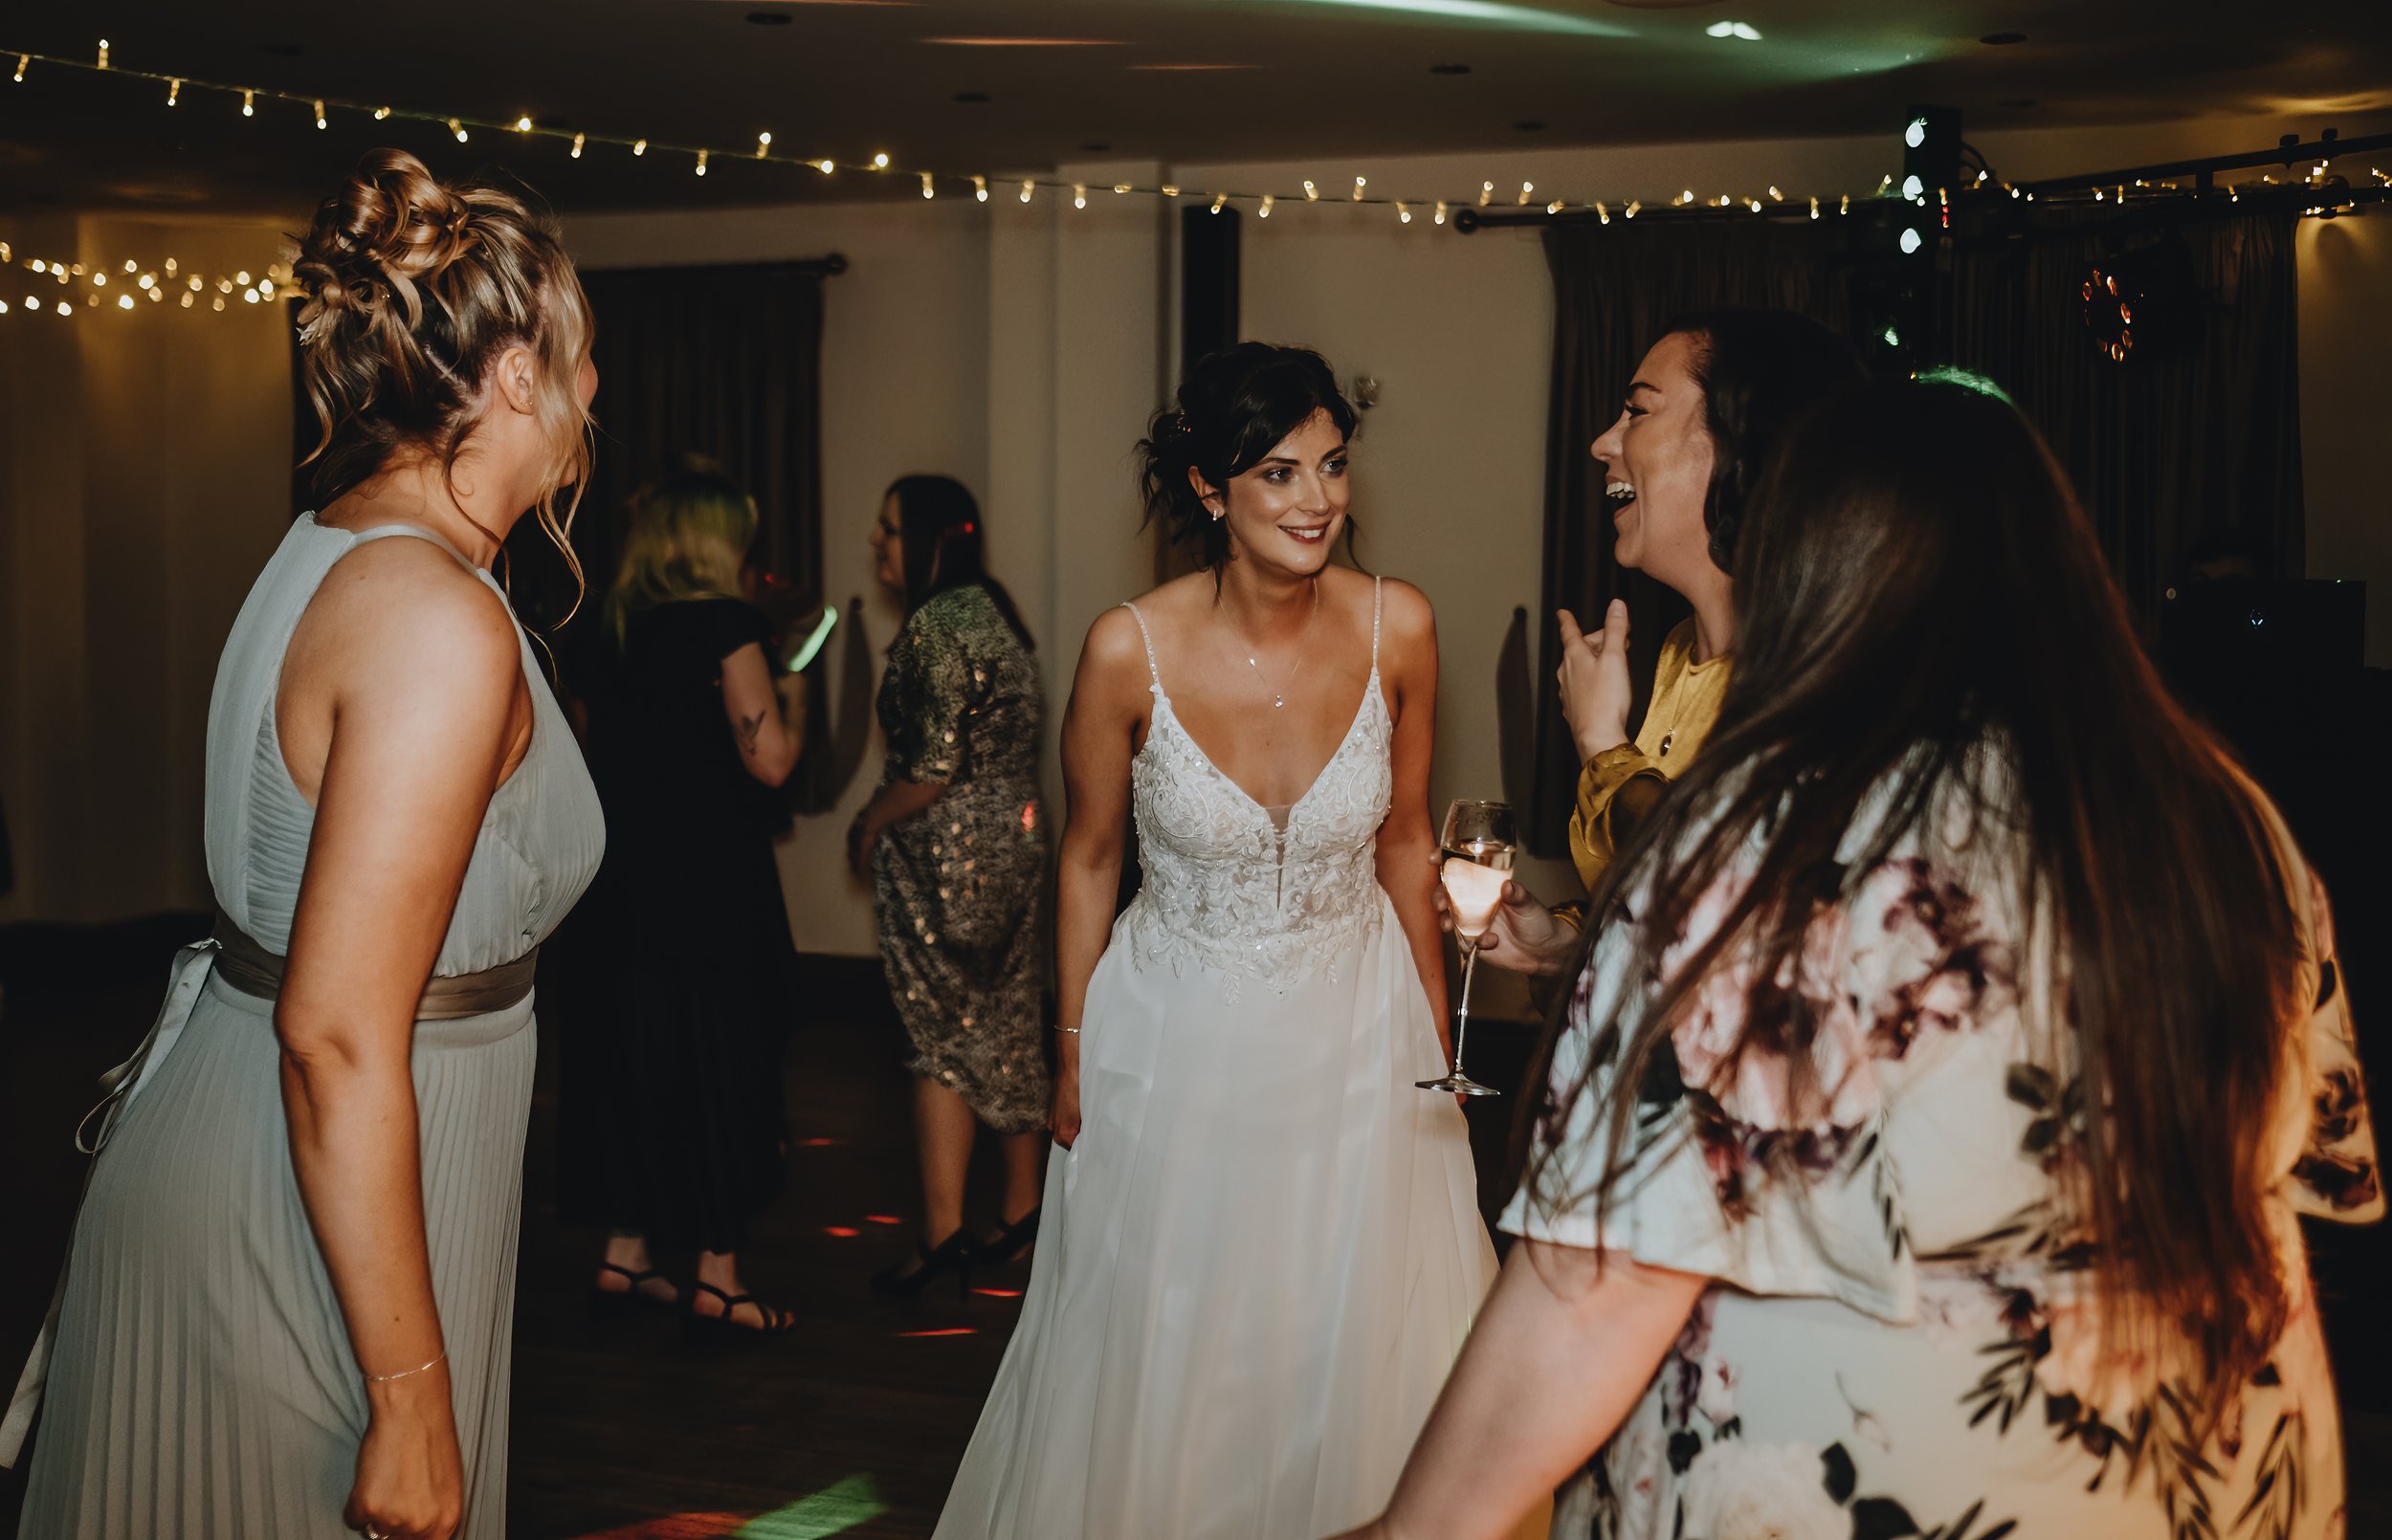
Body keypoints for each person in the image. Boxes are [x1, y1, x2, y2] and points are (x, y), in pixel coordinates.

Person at [1330, 376, 2380, 1540]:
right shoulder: (2231, 822)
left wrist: (1410, 1529)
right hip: (2223, 1472)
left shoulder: (1768, 838)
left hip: (1892, 1480)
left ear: (1812, 571)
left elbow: (1602, 1279)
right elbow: (2310, 1176)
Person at [11, 148, 606, 1540]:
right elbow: (335, 1034)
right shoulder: (434, 618)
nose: (596, 395)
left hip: (278, 1144)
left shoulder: (326, 543)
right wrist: (409, 1393)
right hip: (314, 1207)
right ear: (518, 376)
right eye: (584, 362)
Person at [936, 343, 1536, 1540]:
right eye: (1278, 472)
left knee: (1351, 1333)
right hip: (1175, 1038)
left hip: (1356, 1022)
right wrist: (1069, 1043)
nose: (1317, 500)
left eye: (1332, 465)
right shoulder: (1127, 650)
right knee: (1181, 1344)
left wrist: (1435, 1038)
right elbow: (1088, 857)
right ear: (1211, 489)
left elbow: (1404, 842)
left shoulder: (1400, 626)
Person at [1450, 310, 1865, 978]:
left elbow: (1750, 921)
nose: (1601, 444)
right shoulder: (1677, 653)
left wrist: (1600, 744)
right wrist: (1565, 950)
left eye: (1637, 413)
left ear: (1740, 446)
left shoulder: (1827, 676)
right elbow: (1664, 931)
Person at [556, 459, 808, 1335]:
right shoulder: (726, 625)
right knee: (722, 1063)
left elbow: (586, 755)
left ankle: (625, 1256)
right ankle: (718, 1276)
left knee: (634, 1058)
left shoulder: (602, 628)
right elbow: (770, 762)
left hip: (620, 882)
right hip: (711, 885)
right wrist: (792, 693)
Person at [851, 474, 1049, 1296]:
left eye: (890, 529)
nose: (877, 542)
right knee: (1009, 1023)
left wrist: (869, 820)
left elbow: (930, 771)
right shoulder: (994, 614)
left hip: (948, 862)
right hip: (1015, 848)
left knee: (939, 1038)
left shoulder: (938, 627)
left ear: (931, 538)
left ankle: (940, 1237)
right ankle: (1023, 1215)